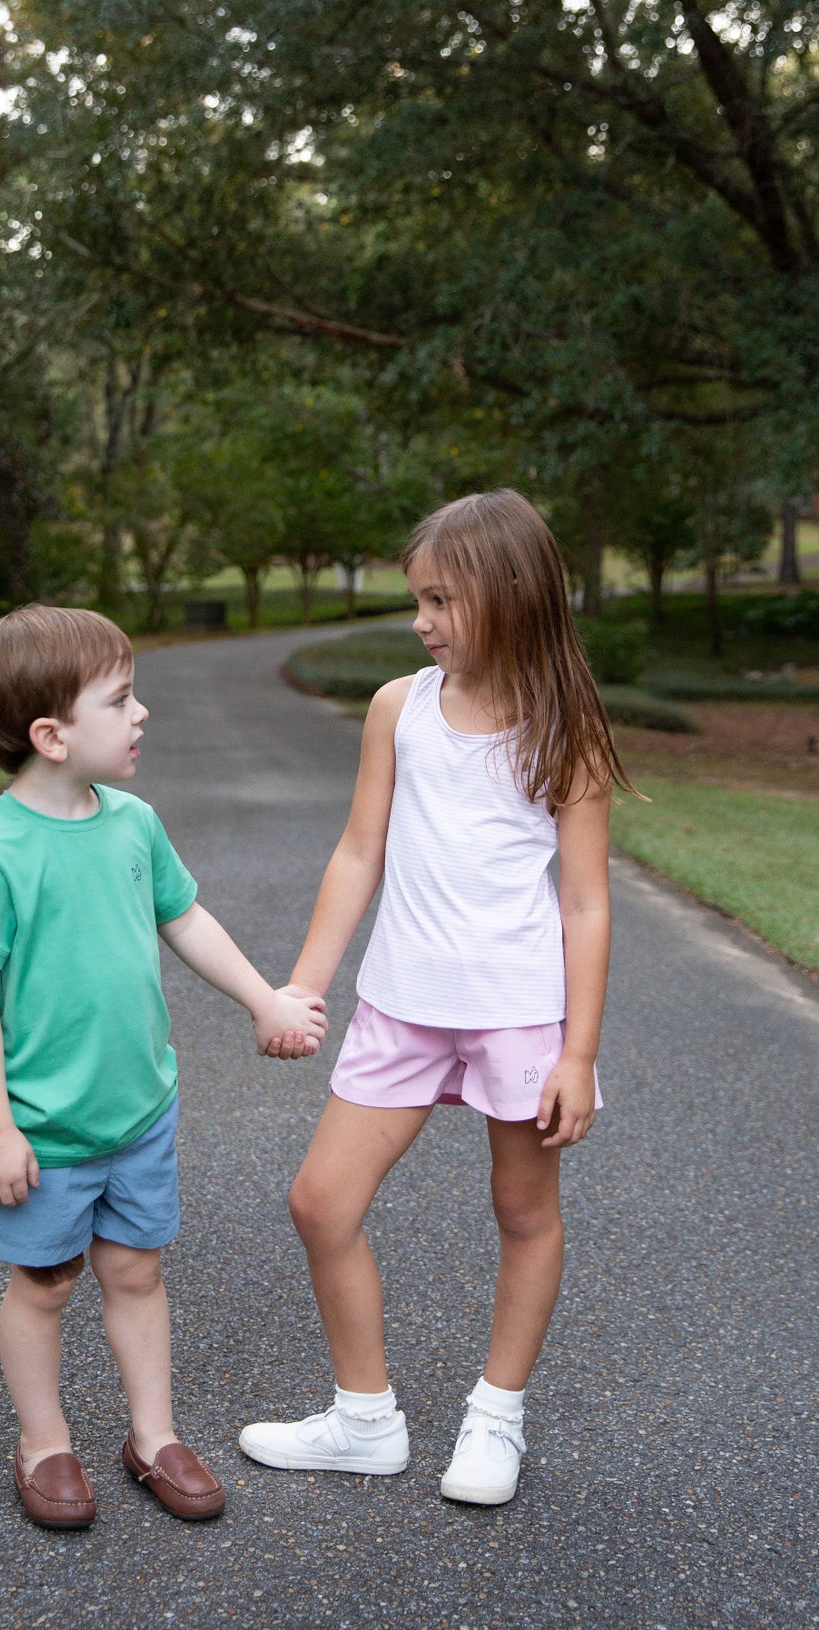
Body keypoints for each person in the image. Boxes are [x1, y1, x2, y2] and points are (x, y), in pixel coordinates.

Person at [242, 489, 635, 1506]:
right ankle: (364, 1418)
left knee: (523, 1209)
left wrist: (578, 1053)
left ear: (507, 599)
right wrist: (306, 981)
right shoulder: (397, 707)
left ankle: (496, 1414)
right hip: (399, 1007)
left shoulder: (567, 728)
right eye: (418, 599)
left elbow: (586, 904)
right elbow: (359, 850)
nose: (421, 619)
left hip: (518, 1016)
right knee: (320, 1201)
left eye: (439, 600)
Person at [0, 604, 326, 1531]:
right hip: (45, 1131)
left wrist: (266, 999)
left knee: (137, 1273)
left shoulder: (133, 822)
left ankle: (152, 1435)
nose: (143, 712)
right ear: (51, 734)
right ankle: (44, 1440)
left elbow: (185, 920)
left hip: (140, 1111)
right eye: (120, 699)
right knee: (44, 1284)